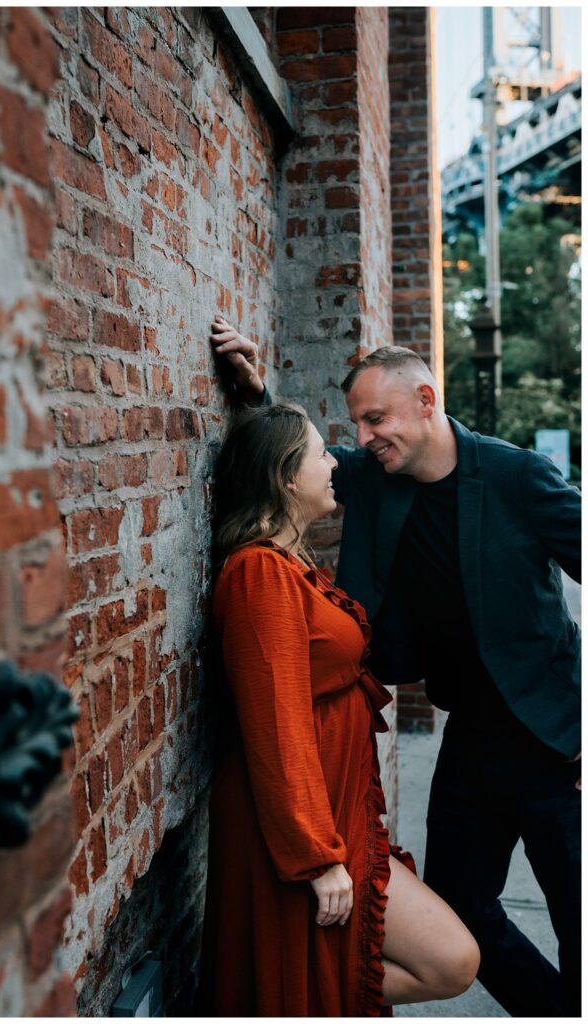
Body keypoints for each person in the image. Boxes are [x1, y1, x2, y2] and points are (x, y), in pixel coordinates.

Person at [210, 316, 581, 1018]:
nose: (364, 436)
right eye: (357, 423)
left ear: (427, 401)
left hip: (555, 735)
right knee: (465, 910)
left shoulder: (518, 476)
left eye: (377, 418)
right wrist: (256, 392)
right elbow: (289, 465)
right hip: (469, 736)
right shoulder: (377, 476)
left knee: (579, 919)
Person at [199, 402, 479, 1017]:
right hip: (298, 825)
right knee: (446, 960)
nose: (335, 463)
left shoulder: (291, 565)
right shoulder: (257, 575)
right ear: (284, 475)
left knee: (427, 962)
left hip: (336, 804)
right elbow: (276, 724)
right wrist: (316, 858)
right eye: (321, 452)